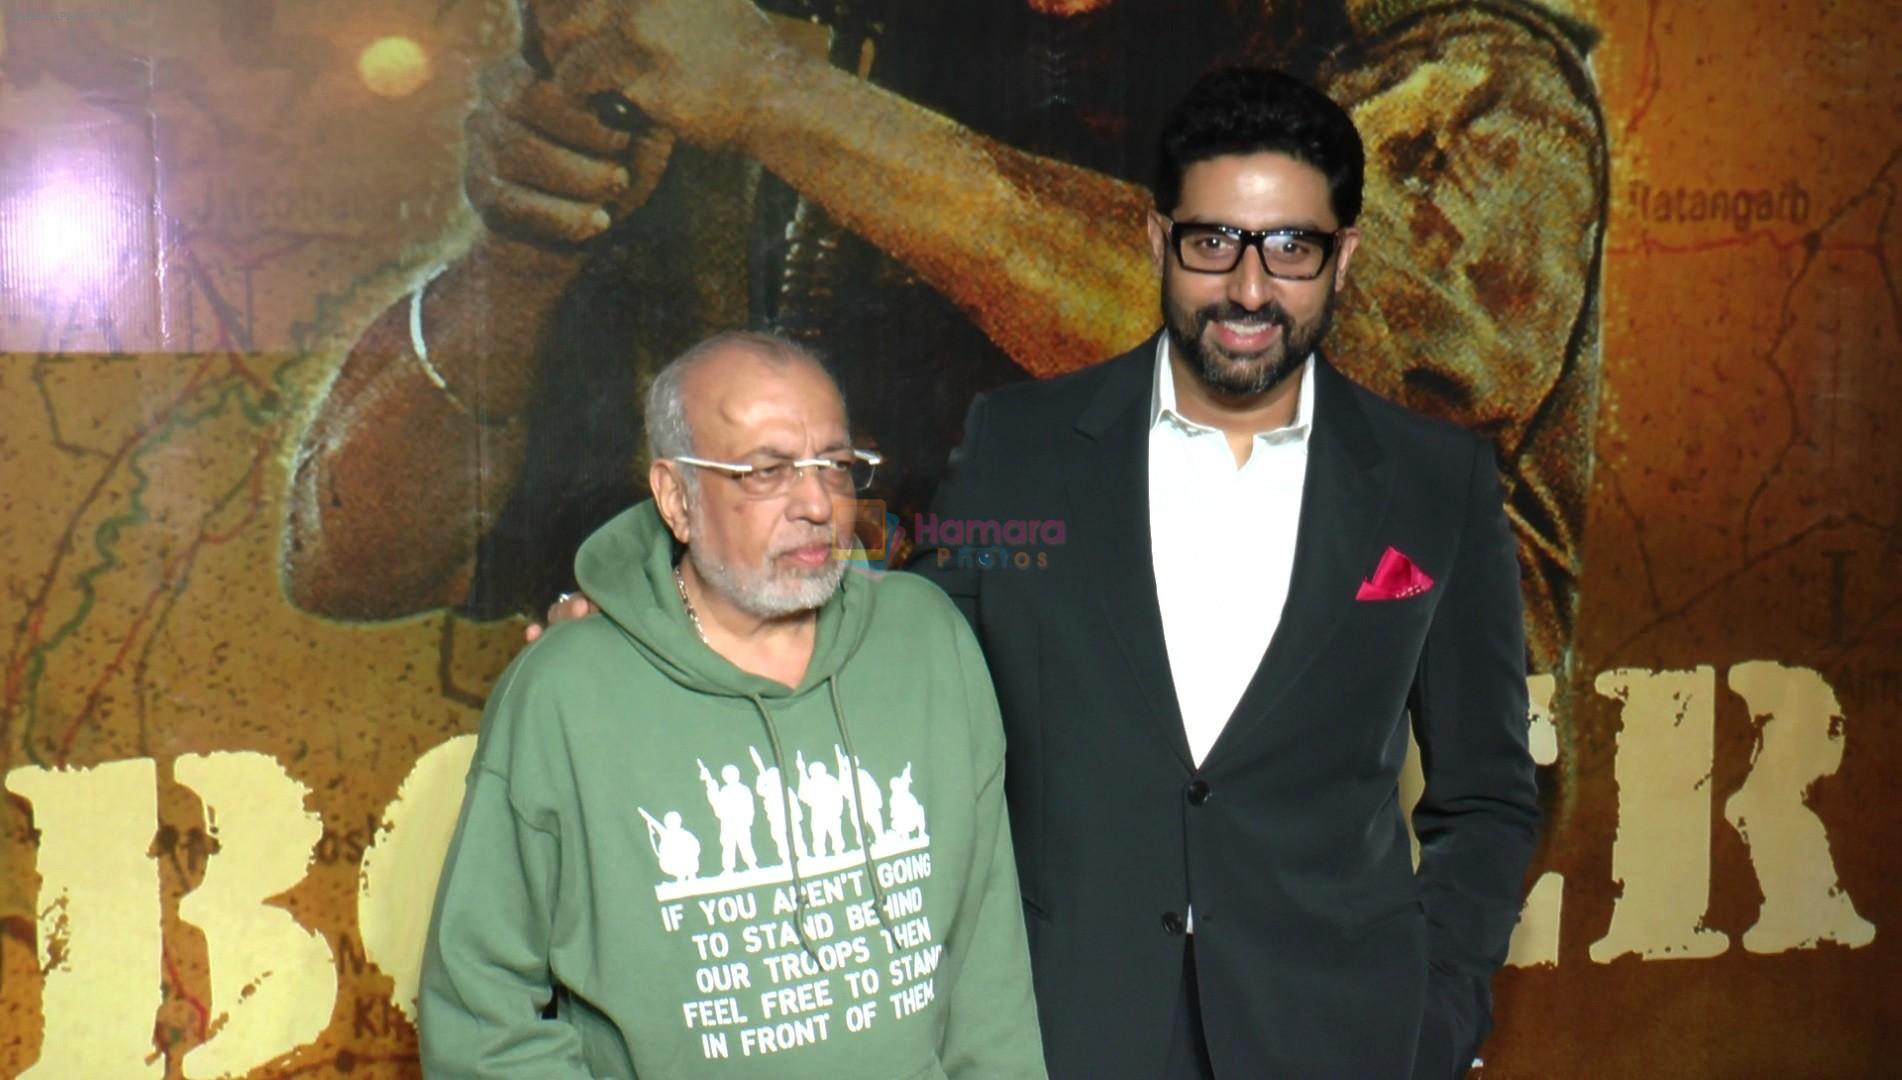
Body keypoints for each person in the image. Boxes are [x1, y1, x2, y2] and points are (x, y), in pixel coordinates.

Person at [282, 0, 1603, 685]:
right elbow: (352, 553)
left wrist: (779, 98)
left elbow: (1257, 366)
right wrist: (530, 239)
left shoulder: (1447, 67)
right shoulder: (841, 74)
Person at [908, 68, 1540, 1077]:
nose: (1251, 289)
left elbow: (1487, 795)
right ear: (1159, 242)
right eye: (1215, 243)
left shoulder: (1435, 485)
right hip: (1066, 1028)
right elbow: (906, 683)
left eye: (1292, 246)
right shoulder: (1019, 450)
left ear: (1345, 258)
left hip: (1338, 1035)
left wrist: (1437, 1014)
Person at [418, 331, 1045, 1077]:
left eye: (835, 467)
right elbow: (479, 1012)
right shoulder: (565, 692)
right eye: (767, 472)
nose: (816, 504)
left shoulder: (928, 642)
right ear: (676, 499)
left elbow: (987, 977)